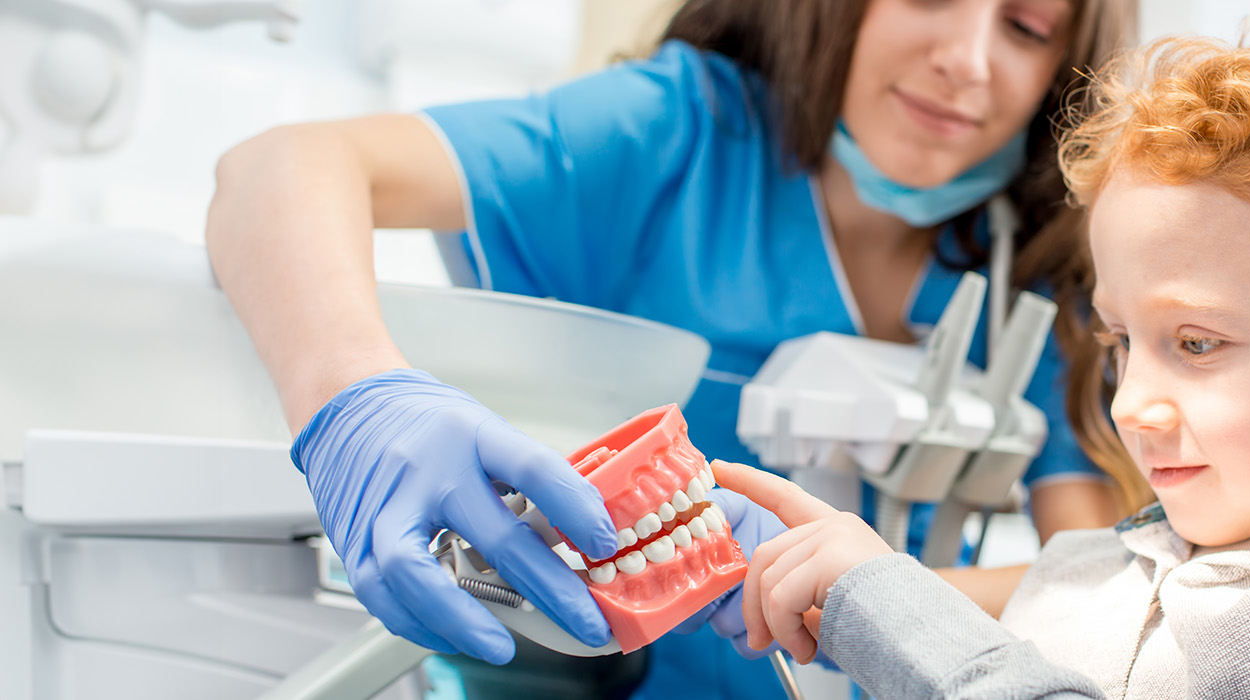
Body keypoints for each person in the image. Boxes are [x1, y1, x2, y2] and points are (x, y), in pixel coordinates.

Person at [204, 0, 1137, 697]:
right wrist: (355, 398)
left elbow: (1105, 572)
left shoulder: (1040, 266)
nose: (966, 62)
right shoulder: (676, 133)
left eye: (1025, 25)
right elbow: (277, 168)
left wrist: (870, 594)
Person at [715, 18, 1250, 699]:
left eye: (1197, 344)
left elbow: (922, 629)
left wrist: (891, 610)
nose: (1130, 406)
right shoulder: (1115, 567)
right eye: (1122, 342)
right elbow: (900, 601)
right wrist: (817, 575)